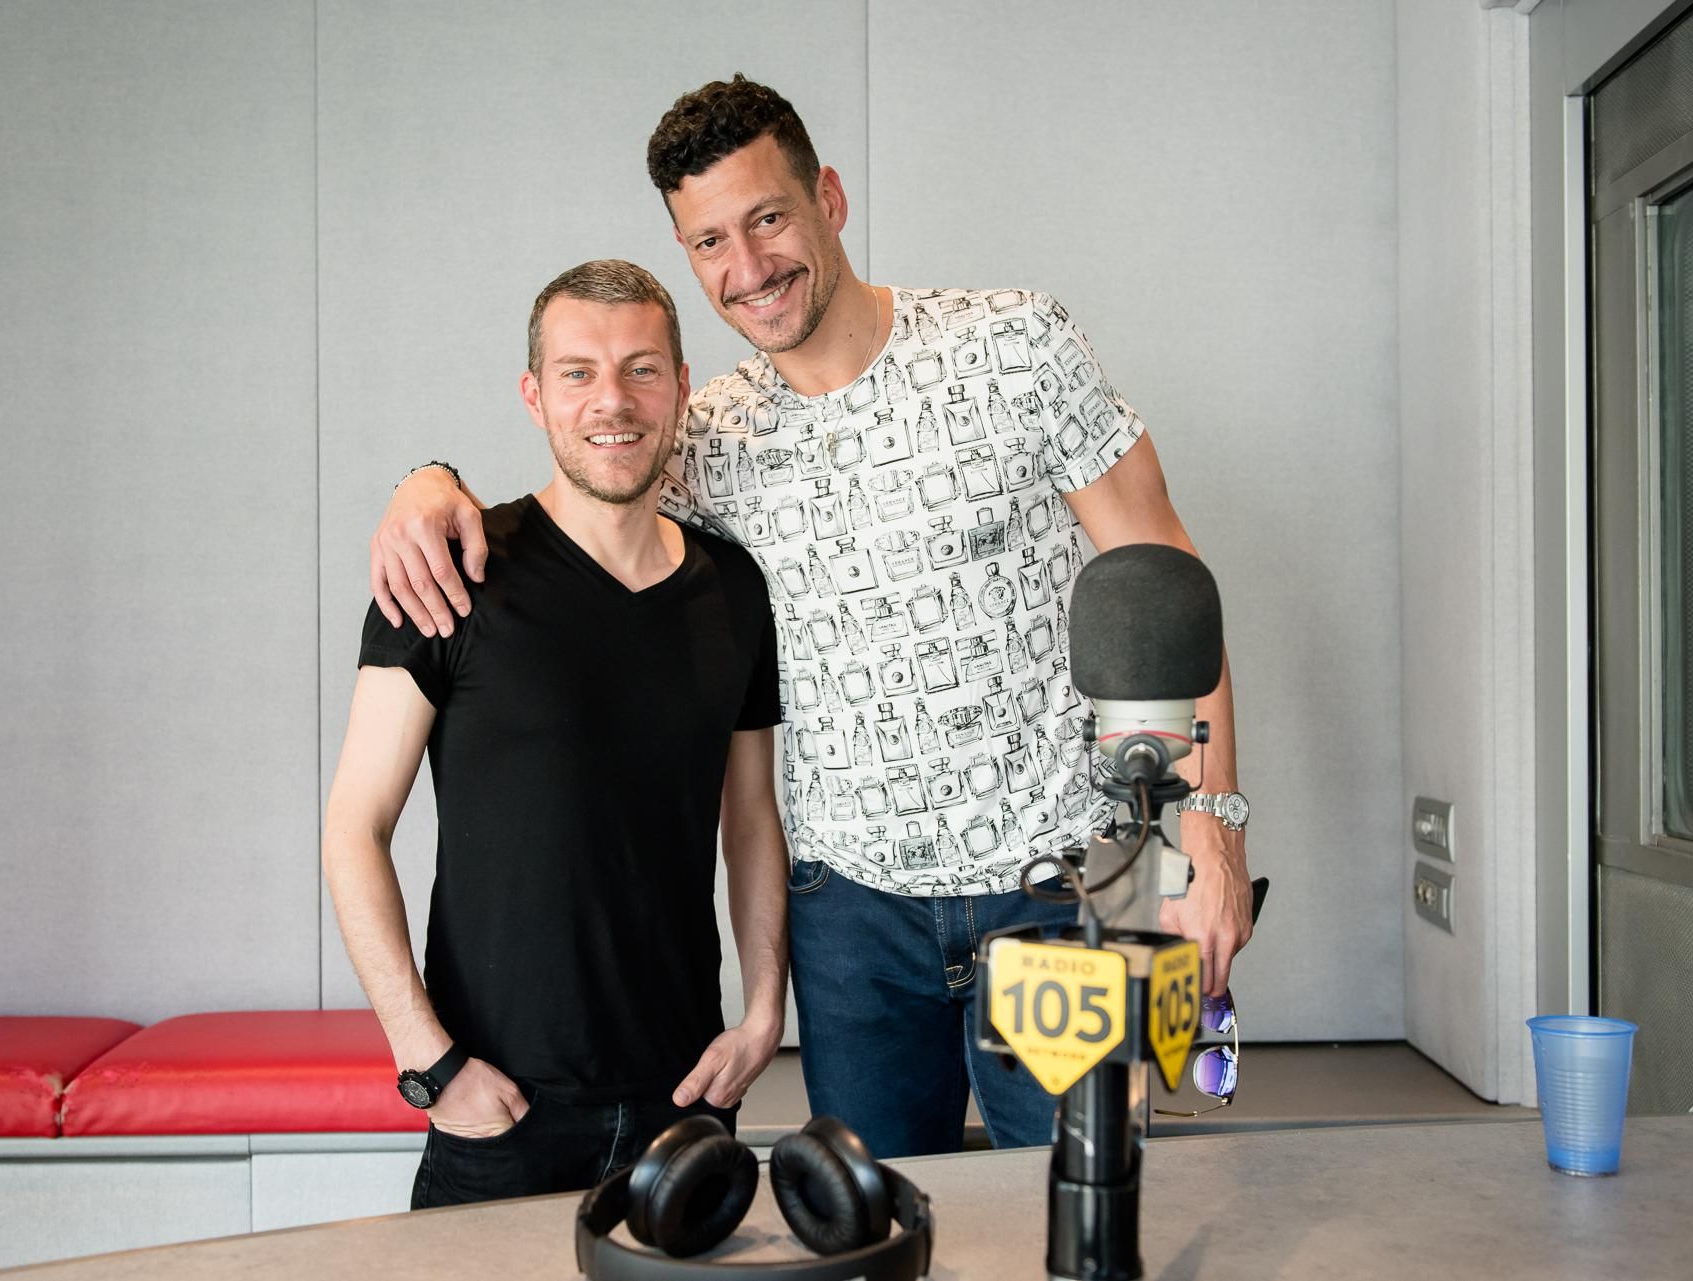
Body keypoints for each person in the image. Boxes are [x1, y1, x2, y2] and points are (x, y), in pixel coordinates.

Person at [367, 77, 1254, 1158]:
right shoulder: (706, 434)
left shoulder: (1016, 345)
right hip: (852, 919)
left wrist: (1211, 835)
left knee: (1086, 1206)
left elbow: (1165, 581)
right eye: (710, 241)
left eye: (768, 218)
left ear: (828, 198)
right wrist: (425, 482)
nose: (746, 266)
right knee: (875, 1223)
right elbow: (577, 485)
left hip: (1064, 886)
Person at [322, 259, 787, 1209]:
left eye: (641, 369)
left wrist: (763, 1014)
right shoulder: (448, 572)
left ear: (681, 386)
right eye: (579, 372)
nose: (612, 400)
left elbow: (750, 822)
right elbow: (352, 829)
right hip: (502, 1107)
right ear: (535, 395)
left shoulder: (735, 590)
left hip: (684, 1100)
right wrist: (428, 1060)